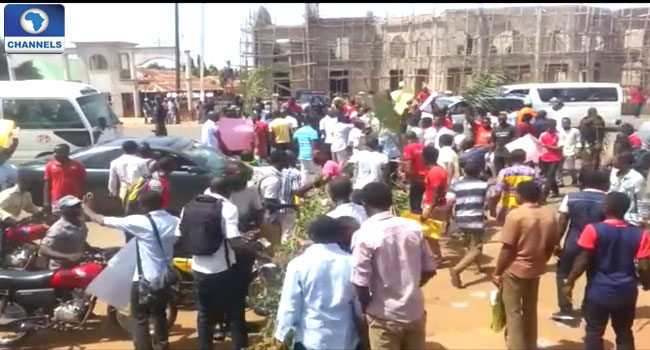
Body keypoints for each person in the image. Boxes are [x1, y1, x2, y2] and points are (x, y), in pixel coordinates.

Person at [83, 191, 177, 350]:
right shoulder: (175, 221)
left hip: (144, 281)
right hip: (165, 279)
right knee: (159, 314)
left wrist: (86, 208)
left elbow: (100, 220)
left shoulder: (140, 222)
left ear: (143, 206)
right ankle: (162, 346)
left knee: (139, 318)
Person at [351, 182, 436, 350]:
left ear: (364, 204)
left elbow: (360, 282)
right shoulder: (413, 227)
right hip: (414, 311)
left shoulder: (364, 234)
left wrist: (367, 306)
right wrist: (410, 287)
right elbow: (429, 269)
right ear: (391, 203)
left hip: (383, 315)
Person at [563, 192, 650, 350]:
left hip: (599, 290)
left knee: (594, 332)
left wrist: (570, 281)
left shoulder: (593, 230)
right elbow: (644, 266)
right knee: (624, 332)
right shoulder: (640, 234)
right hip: (626, 291)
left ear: (606, 207)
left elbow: (582, 260)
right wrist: (646, 283)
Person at [492, 181, 559, 350]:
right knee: (530, 310)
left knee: (513, 313)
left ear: (521, 195)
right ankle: (530, 345)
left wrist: (498, 271)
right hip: (536, 267)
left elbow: (508, 248)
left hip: (515, 268)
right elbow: (552, 245)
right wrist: (541, 261)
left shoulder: (516, 215)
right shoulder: (549, 214)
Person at [275, 217, 361, 350]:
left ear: (311, 236)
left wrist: (281, 334)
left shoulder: (299, 264)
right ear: (338, 236)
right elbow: (358, 304)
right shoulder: (351, 263)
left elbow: (290, 304)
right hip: (345, 338)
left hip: (312, 338)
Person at [184, 177, 248, 350]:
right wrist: (252, 250)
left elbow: (179, 237)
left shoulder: (189, 206)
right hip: (223, 270)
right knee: (234, 312)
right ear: (228, 190)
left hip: (198, 269)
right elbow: (234, 240)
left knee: (204, 314)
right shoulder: (228, 208)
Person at [553, 170, 609, 322]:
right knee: (594, 276)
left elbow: (563, 221)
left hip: (573, 243)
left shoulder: (571, 197)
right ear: (602, 184)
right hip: (598, 245)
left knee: (563, 273)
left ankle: (565, 309)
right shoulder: (608, 200)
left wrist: (556, 242)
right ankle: (588, 308)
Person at [447, 162, 489, 289]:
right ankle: (457, 270)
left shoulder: (456, 185)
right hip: (476, 218)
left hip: (460, 218)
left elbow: (449, 202)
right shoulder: (484, 185)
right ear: (479, 172)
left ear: (464, 171)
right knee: (477, 248)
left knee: (470, 244)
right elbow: (491, 198)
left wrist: (448, 219)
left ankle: (477, 267)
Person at [38, 195, 87, 269]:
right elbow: (43, 250)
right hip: (60, 270)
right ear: (63, 210)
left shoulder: (80, 223)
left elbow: (76, 241)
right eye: (72, 207)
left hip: (78, 266)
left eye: (78, 206)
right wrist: (68, 257)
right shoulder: (58, 229)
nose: (77, 209)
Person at [493, 149, 539, 223]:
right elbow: (538, 187)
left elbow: (498, 190)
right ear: (524, 158)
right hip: (526, 203)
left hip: (509, 204)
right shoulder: (532, 171)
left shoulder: (504, 172)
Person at [421, 145, 447, 262]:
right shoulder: (438, 169)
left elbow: (435, 194)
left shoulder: (435, 172)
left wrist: (428, 211)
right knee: (430, 234)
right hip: (436, 205)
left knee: (430, 234)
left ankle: (436, 257)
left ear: (426, 157)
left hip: (433, 206)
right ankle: (435, 256)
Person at [43, 144, 86, 212]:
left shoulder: (78, 166)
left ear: (66, 153)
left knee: (73, 219)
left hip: (73, 199)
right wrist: (46, 201)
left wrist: (84, 199)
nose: (55, 154)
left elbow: (84, 183)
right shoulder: (50, 165)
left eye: (58, 152)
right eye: (54, 152)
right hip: (56, 199)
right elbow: (47, 184)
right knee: (57, 219)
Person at [609, 151, 647, 226]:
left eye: (616, 159)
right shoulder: (614, 175)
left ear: (624, 162)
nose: (613, 160)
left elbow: (642, 201)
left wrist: (642, 220)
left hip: (629, 220)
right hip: (613, 218)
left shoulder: (636, 178)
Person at [279, 151, 302, 242]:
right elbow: (296, 191)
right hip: (289, 206)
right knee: (287, 232)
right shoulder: (296, 173)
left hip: (276, 206)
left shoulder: (278, 171)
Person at [402, 131, 427, 214]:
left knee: (415, 204)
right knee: (423, 202)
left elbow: (408, 165)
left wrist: (405, 178)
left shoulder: (408, 148)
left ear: (406, 139)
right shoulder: (424, 147)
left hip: (416, 178)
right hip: (426, 177)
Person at [293, 115, 321, 185]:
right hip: (311, 154)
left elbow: (294, 141)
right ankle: (316, 186)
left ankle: (304, 185)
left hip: (302, 154)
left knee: (304, 171)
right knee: (316, 172)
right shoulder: (313, 131)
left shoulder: (298, 131)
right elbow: (314, 144)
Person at [539, 119, 562, 199]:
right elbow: (540, 145)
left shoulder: (559, 135)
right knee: (549, 177)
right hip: (544, 158)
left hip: (555, 158)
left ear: (554, 127)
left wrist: (546, 146)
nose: (548, 129)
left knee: (551, 176)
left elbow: (559, 148)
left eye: (550, 127)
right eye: (547, 127)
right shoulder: (543, 135)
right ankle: (556, 191)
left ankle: (544, 195)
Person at [556, 117, 581, 187]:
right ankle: (560, 181)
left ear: (569, 123)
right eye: (563, 123)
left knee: (571, 168)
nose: (564, 124)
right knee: (559, 168)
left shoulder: (575, 131)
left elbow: (578, 142)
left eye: (566, 122)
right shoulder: (560, 131)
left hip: (571, 152)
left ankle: (574, 180)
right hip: (560, 151)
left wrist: (577, 151)